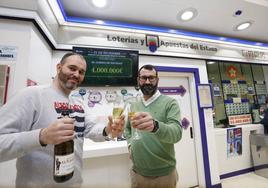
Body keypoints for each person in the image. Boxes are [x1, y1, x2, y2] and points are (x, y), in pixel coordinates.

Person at [0, 52, 125, 188]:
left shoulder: (78, 102)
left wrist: (108, 129)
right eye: (72, 68)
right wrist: (41, 136)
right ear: (59, 67)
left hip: (74, 183)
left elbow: (90, 130)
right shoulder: (31, 95)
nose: (76, 75)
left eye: (81, 72)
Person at [124, 64, 182, 188]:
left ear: (157, 80)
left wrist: (156, 126)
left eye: (151, 78)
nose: (147, 81)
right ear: (138, 80)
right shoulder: (134, 105)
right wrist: (129, 144)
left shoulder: (170, 103)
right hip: (137, 173)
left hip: (164, 175)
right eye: (143, 78)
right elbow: (128, 128)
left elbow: (176, 133)